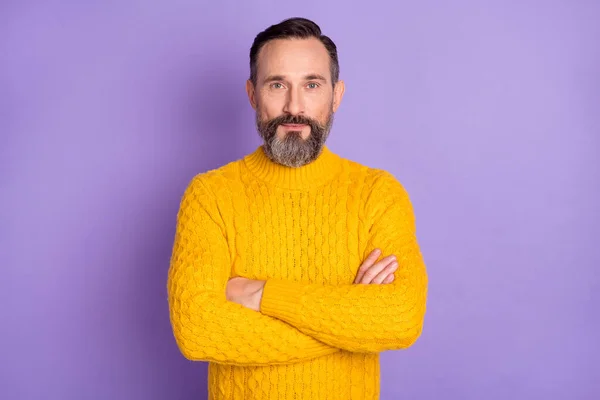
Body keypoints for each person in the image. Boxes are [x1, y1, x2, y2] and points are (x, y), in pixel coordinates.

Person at [167, 17, 428, 400]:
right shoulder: (210, 195)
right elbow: (196, 329)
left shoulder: (377, 194)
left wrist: (262, 296)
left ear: (336, 95)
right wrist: (348, 323)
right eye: (277, 85)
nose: (294, 106)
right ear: (253, 94)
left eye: (311, 85)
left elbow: (401, 318)